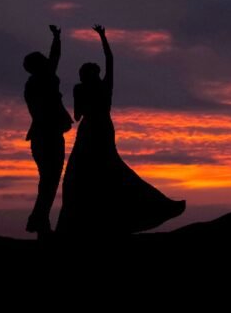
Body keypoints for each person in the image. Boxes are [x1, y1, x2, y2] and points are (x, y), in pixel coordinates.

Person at [57, 25, 185, 236]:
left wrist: (103, 38)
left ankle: (79, 224)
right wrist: (103, 38)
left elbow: (77, 115)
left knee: (84, 174)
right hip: (99, 129)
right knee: (101, 171)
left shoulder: (83, 88)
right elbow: (110, 61)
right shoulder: (101, 86)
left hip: (92, 130)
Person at [23, 25, 73, 239]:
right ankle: (39, 223)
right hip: (47, 136)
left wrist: (57, 37)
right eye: (43, 61)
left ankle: (40, 223)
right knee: (49, 181)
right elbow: (54, 58)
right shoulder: (38, 83)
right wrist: (57, 38)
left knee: (49, 181)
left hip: (48, 135)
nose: (48, 62)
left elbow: (54, 57)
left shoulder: (39, 80)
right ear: (38, 66)